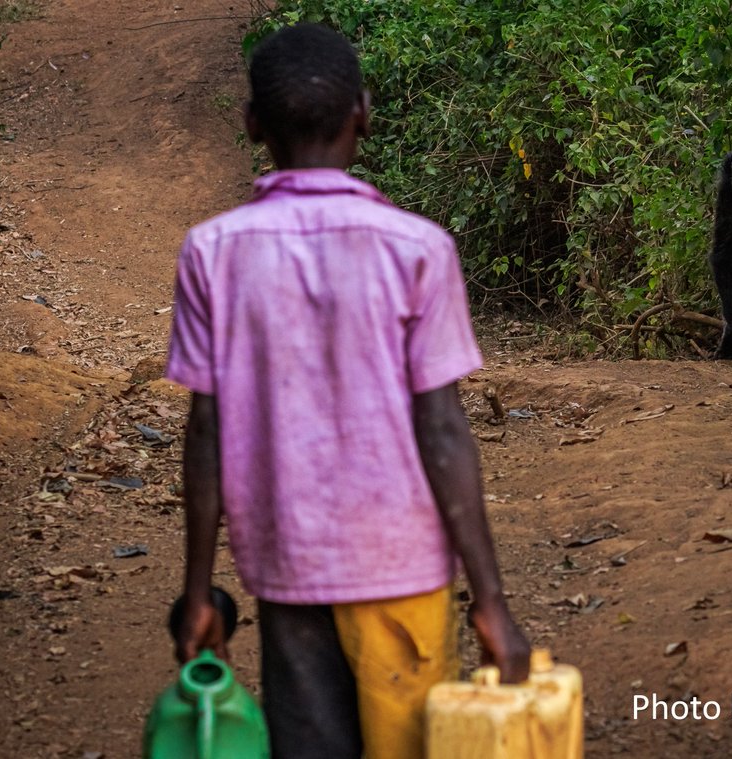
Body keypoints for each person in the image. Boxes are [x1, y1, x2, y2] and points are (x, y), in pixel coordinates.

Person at [164, 22, 530, 759]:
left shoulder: (213, 252)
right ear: (364, 111)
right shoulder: (419, 249)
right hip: (403, 566)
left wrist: (199, 589)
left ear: (252, 125)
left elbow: (206, 430)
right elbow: (443, 427)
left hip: (287, 563)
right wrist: (489, 598)